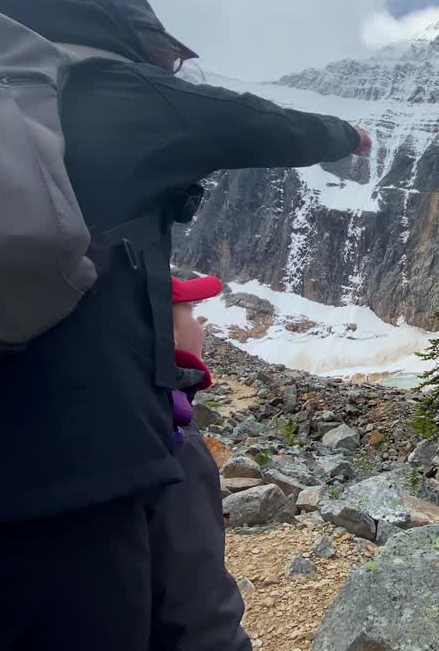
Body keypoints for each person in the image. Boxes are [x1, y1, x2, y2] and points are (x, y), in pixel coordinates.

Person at [0, 0, 368, 650]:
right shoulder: (92, 88)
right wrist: (345, 134)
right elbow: (259, 125)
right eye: (163, 56)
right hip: (45, 503)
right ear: (118, 35)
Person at [151, 274, 249, 651]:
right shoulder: (172, 438)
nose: (200, 325)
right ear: (167, 334)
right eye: (189, 311)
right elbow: (199, 619)